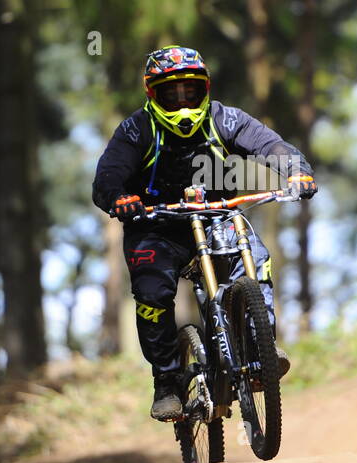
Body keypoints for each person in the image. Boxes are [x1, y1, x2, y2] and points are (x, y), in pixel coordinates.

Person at [92, 46, 318, 421]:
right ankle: (166, 380)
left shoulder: (226, 118)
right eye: (171, 93)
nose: (182, 103)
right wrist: (118, 198)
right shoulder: (136, 129)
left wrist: (296, 171)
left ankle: (259, 346)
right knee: (152, 291)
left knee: (256, 260)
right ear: (153, 94)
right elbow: (108, 175)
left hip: (216, 216)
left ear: (205, 89)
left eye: (190, 92)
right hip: (155, 224)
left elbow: (269, 145)